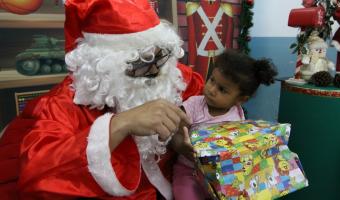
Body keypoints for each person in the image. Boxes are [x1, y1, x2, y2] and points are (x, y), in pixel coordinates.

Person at [0, 0, 204, 199]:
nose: (155, 71)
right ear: (102, 65)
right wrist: (120, 124)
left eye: (161, 56)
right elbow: (39, 179)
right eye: (141, 63)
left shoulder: (173, 77)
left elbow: (207, 106)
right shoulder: (61, 105)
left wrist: (186, 138)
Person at [170, 49, 278, 200]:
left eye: (222, 89)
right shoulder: (194, 105)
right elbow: (176, 133)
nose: (211, 89)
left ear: (240, 100)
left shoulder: (237, 116)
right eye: (212, 80)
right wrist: (182, 146)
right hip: (189, 171)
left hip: (220, 176)